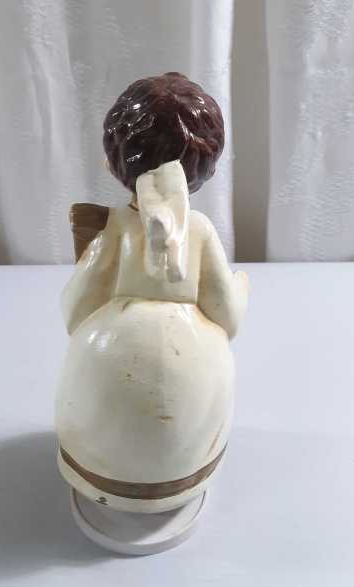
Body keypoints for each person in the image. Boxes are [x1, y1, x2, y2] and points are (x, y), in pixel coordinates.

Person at [55, 73, 249, 513]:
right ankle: (177, 475)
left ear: (113, 163)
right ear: (207, 169)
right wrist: (241, 287)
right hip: (193, 381)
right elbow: (228, 315)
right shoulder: (199, 231)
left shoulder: (113, 231)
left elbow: (74, 310)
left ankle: (101, 470)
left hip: (107, 362)